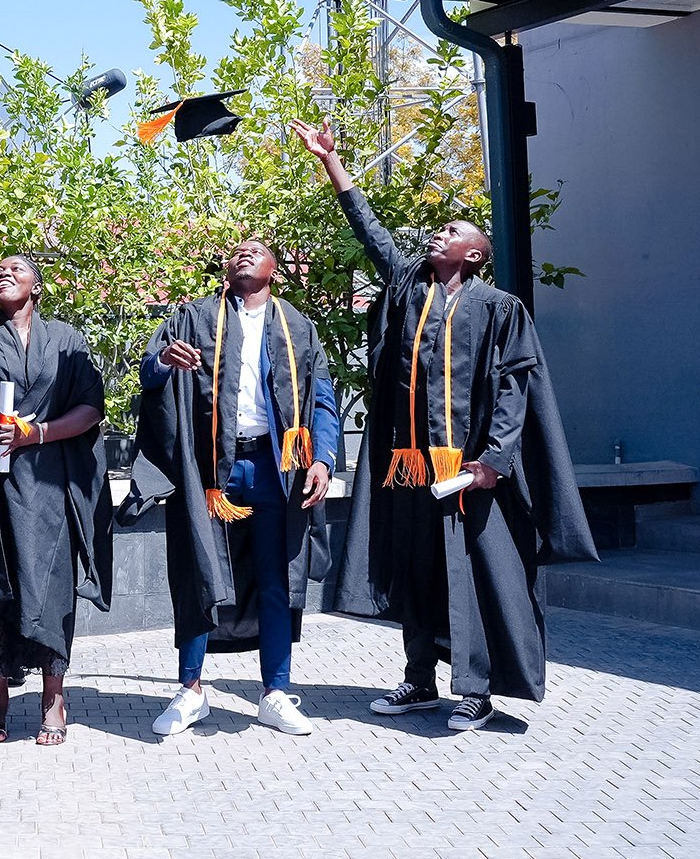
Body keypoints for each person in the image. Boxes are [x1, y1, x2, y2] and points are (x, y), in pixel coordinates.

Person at [292, 118, 596, 730]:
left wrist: (494, 461)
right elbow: (371, 232)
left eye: (452, 232)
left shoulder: (498, 309)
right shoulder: (411, 287)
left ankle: (477, 688)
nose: (439, 234)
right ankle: (419, 679)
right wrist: (332, 163)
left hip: (469, 472)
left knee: (474, 578)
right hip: (409, 468)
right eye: (439, 229)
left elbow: (515, 388)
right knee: (418, 571)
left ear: (476, 254)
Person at [137, 240, 341, 737]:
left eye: (256, 249)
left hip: (276, 466)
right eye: (236, 251)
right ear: (226, 270)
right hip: (211, 471)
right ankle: (191, 691)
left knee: (276, 579)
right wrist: (165, 360)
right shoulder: (191, 318)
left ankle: (275, 692)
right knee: (199, 575)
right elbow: (147, 373)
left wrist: (324, 458)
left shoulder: (298, 327)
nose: (243, 253)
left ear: (276, 271)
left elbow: (321, 398)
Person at [0, 255, 113, 745]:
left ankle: (53, 699)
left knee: (53, 591)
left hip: (51, 484)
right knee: (1, 589)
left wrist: (36, 433)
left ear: (37, 287)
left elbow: (90, 407)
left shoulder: (66, 339)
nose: (3, 274)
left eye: (16, 270)